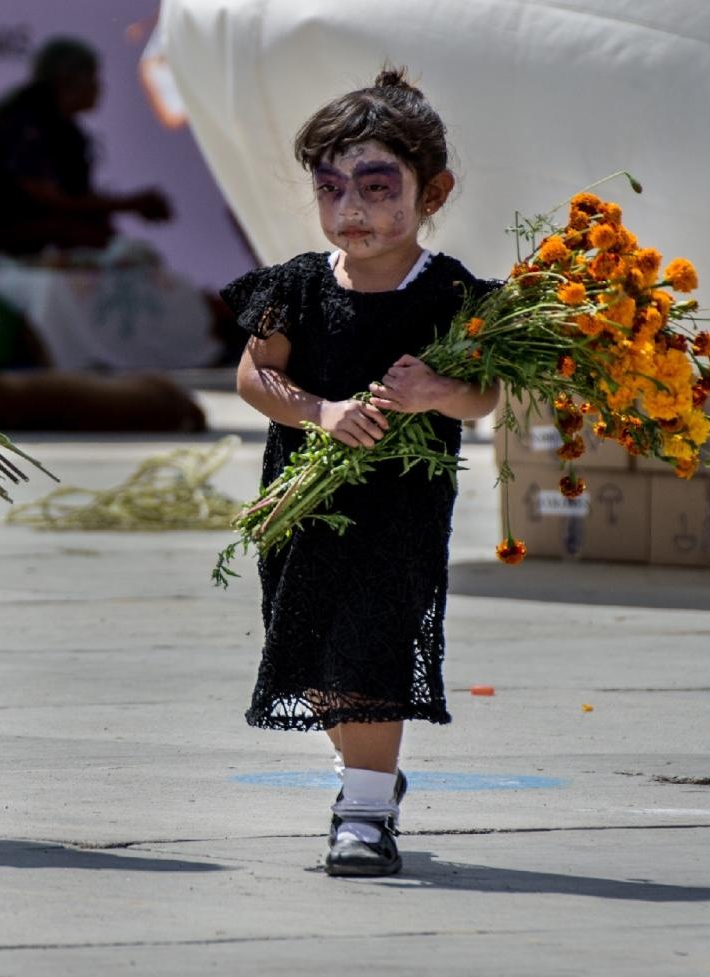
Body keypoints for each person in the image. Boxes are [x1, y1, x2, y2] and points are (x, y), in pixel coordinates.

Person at [221, 67, 500, 877]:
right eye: (332, 188)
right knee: (308, 652)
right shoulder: (298, 286)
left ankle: (365, 812)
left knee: (373, 645)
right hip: (300, 502)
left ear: (432, 191)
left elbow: (483, 397)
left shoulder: (452, 295)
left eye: (377, 187)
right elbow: (252, 375)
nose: (352, 210)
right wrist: (322, 412)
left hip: (401, 508)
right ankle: (368, 770)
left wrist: (434, 391)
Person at [0, 37, 171, 255]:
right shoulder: (25, 121)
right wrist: (130, 204)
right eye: (92, 77)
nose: (99, 87)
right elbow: (48, 200)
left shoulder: (63, 128)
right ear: (67, 80)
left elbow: (73, 195)